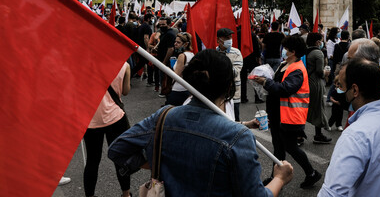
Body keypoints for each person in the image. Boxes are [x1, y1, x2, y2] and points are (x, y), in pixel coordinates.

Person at [108, 49, 294, 196]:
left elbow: (117, 149)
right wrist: (279, 178)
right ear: (229, 86)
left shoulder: (164, 116)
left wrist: (156, 162)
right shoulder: (238, 136)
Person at [318, 58, 380, 196]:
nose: (338, 91)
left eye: (341, 86)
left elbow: (332, 193)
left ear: (354, 90)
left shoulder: (356, 135)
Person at [254, 35, 322, 189]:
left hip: (289, 115)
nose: (283, 51)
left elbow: (285, 89)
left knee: (290, 147)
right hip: (278, 112)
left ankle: (311, 173)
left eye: (285, 48)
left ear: (292, 51)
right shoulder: (285, 64)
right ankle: (275, 177)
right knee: (278, 146)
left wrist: (266, 82)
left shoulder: (297, 69)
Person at [83, 62, 131, 197]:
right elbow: (125, 91)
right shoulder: (124, 65)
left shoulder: (85, 66)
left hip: (91, 120)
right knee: (120, 158)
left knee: (92, 160)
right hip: (115, 117)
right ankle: (126, 194)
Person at [305, 32, 332, 144]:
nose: (321, 43)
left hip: (306, 82)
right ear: (317, 42)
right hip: (315, 83)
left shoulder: (306, 51)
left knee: (306, 107)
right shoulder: (318, 53)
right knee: (318, 107)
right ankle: (318, 134)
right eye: (320, 40)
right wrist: (326, 73)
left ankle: (299, 134)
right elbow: (319, 71)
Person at [216, 28, 243, 121]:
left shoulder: (236, 53)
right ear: (218, 40)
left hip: (233, 94)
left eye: (230, 37)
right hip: (217, 95)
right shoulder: (214, 53)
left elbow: (235, 72)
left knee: (234, 121)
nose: (229, 40)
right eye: (226, 38)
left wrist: (222, 64)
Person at [166, 32, 194, 106]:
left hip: (178, 89)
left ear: (185, 44)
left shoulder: (182, 56)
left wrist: (167, 69)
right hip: (187, 89)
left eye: (178, 42)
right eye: (175, 41)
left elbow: (176, 75)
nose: (175, 44)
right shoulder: (191, 54)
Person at [156, 16, 177, 97]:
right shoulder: (164, 33)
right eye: (160, 24)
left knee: (166, 78)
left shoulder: (170, 34)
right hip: (161, 58)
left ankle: (166, 92)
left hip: (166, 61)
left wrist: (164, 61)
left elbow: (170, 49)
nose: (161, 26)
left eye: (163, 24)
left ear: (168, 24)